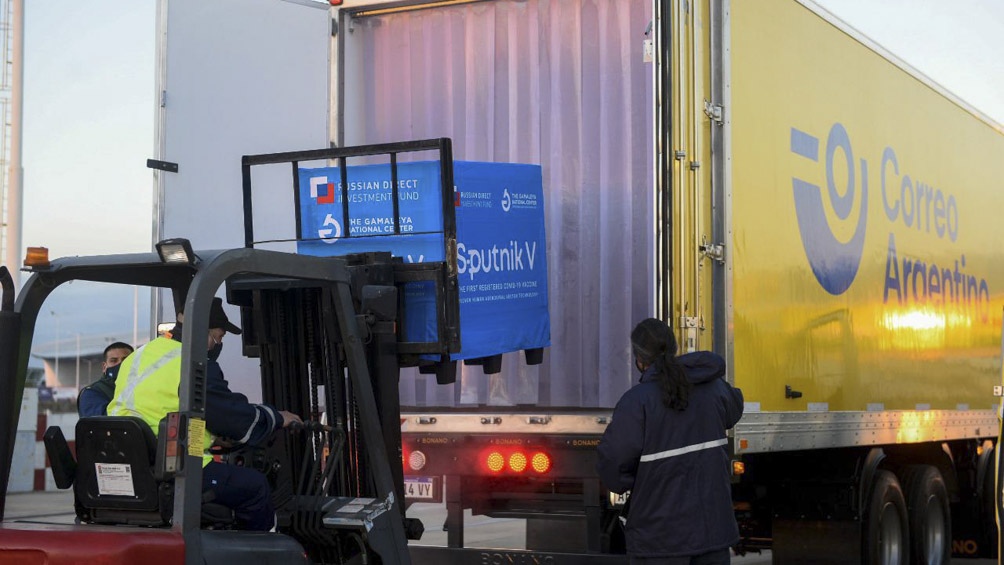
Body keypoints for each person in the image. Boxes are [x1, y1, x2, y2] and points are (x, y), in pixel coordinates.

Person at [108, 296, 302, 531]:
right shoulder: (193, 363)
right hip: (172, 469)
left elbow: (162, 407)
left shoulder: (141, 354)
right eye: (218, 337)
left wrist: (214, 437)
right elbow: (230, 417)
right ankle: (258, 550)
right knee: (256, 486)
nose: (216, 345)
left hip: (130, 462)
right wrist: (276, 417)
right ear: (204, 330)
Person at [597, 318, 744, 565]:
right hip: (713, 534)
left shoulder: (637, 402)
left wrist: (634, 484)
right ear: (674, 348)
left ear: (640, 359)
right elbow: (735, 406)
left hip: (659, 540)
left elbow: (614, 462)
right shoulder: (714, 388)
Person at [77, 341, 134, 417]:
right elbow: (102, 421)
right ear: (104, 367)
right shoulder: (92, 393)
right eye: (113, 361)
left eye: (126, 360)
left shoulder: (140, 386)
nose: (121, 364)